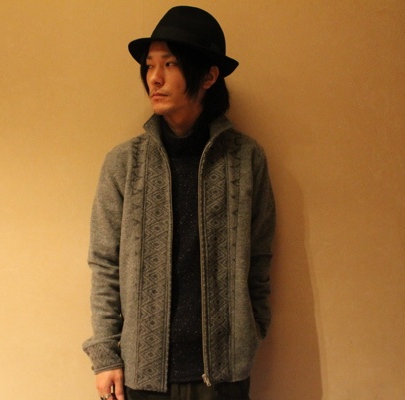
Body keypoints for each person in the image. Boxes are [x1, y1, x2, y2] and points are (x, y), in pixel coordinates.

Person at [83, 6, 275, 400]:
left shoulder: (245, 159)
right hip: (143, 376)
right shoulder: (125, 163)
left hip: (225, 376)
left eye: (169, 64)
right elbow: (104, 263)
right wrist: (105, 355)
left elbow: (259, 254)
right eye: (150, 65)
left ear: (208, 76)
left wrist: (252, 328)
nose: (154, 77)